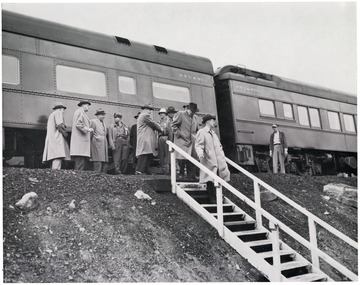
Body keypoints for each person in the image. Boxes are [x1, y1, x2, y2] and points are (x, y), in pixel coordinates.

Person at [195, 114, 230, 204]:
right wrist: (200, 153)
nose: (214, 122)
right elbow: (199, 145)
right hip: (209, 160)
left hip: (218, 160)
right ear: (207, 121)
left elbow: (219, 146)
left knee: (219, 177)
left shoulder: (214, 134)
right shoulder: (202, 132)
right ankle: (213, 199)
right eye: (212, 120)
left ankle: (218, 197)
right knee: (210, 179)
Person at [172, 102, 199, 180]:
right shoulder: (180, 114)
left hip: (192, 141)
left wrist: (196, 138)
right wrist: (179, 134)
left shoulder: (196, 118)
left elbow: (197, 129)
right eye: (191, 111)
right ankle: (181, 174)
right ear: (187, 109)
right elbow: (173, 125)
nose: (193, 113)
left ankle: (191, 175)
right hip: (182, 140)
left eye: (194, 111)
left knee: (192, 158)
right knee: (182, 158)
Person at [135, 103, 163, 175]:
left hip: (145, 138)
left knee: (147, 153)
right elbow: (153, 124)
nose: (150, 111)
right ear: (145, 109)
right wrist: (161, 129)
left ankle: (145, 170)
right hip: (145, 138)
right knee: (144, 153)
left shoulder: (142, 116)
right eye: (149, 109)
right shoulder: (145, 115)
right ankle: (139, 170)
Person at [42, 102, 70, 169]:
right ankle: (55, 174)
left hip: (52, 139)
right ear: (60, 108)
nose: (63, 111)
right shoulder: (58, 113)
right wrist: (65, 131)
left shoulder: (52, 114)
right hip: (57, 139)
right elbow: (60, 124)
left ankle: (53, 174)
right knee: (58, 157)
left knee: (54, 158)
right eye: (63, 109)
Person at [70, 101, 94, 170]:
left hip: (81, 141)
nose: (89, 108)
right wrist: (88, 129)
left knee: (80, 161)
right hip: (80, 141)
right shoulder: (80, 112)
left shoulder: (80, 112)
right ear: (84, 105)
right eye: (88, 106)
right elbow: (78, 124)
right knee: (80, 161)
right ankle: (77, 177)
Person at [90, 108, 108, 173]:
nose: (103, 116)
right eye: (102, 115)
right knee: (97, 159)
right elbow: (90, 133)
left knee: (104, 159)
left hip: (103, 142)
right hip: (97, 142)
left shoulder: (104, 123)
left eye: (104, 115)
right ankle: (97, 173)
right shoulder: (93, 121)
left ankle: (103, 173)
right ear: (97, 115)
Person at [158, 108, 170, 174]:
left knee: (167, 153)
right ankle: (163, 167)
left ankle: (167, 168)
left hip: (166, 137)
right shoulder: (159, 121)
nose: (161, 115)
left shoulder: (168, 121)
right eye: (160, 114)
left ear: (165, 114)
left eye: (162, 113)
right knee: (161, 153)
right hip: (160, 138)